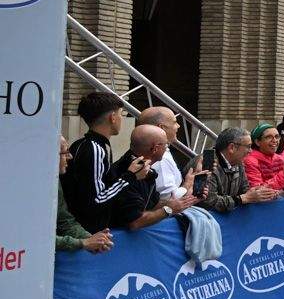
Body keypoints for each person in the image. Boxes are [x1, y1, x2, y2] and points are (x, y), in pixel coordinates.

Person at [63, 91, 136, 232]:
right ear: (113, 117)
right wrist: (130, 176)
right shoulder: (95, 149)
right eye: (121, 114)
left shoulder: (84, 144)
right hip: (89, 234)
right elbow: (97, 199)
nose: (122, 119)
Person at [106, 124, 196, 231]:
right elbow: (135, 222)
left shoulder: (146, 169)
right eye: (166, 145)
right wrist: (168, 209)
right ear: (155, 149)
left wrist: (186, 200)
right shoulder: (129, 174)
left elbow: (153, 204)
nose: (167, 148)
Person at [198, 127, 279, 214]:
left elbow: (245, 190)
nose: (250, 151)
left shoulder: (238, 162)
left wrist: (260, 193)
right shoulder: (206, 162)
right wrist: (244, 198)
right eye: (248, 146)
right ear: (232, 148)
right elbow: (208, 203)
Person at [56, 136, 113, 255]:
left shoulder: (55, 182)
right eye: (65, 152)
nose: (70, 157)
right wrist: (82, 243)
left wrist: (92, 239)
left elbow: (65, 221)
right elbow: (35, 237)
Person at [243, 123, 284, 195]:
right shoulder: (250, 161)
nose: (275, 140)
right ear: (257, 142)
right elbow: (259, 191)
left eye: (277, 136)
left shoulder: (280, 159)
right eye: (269, 137)